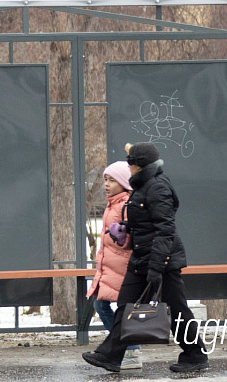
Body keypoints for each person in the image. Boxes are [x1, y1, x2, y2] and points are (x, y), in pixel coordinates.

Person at [82, 142, 209, 374]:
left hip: (162, 261)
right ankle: (110, 355)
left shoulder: (158, 187)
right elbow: (146, 222)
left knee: (177, 309)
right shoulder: (142, 186)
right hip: (141, 256)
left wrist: (157, 266)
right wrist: (125, 228)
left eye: (130, 163)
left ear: (137, 165)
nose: (128, 167)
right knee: (125, 305)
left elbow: (165, 230)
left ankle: (195, 354)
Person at [86, 161, 141, 370]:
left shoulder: (126, 204)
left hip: (123, 268)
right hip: (110, 267)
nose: (107, 184)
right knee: (101, 305)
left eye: (112, 180)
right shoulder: (112, 204)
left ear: (124, 182)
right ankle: (125, 348)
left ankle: (132, 350)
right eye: (105, 180)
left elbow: (130, 239)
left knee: (118, 309)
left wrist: (121, 237)